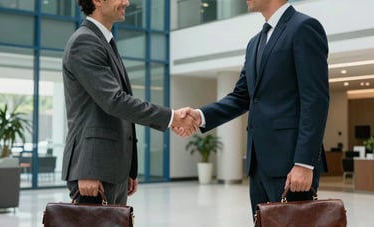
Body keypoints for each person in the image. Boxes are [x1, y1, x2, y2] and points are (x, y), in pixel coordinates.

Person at [175, 0, 329, 219]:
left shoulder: (304, 28)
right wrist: (199, 116)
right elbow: (241, 97)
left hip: (291, 165)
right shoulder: (255, 42)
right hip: (258, 166)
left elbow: (315, 100)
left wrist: (304, 163)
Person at [62, 0, 197, 205]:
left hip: (111, 169)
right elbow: (115, 101)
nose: (127, 2)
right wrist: (172, 117)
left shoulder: (104, 42)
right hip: (92, 171)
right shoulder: (85, 41)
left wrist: (128, 168)